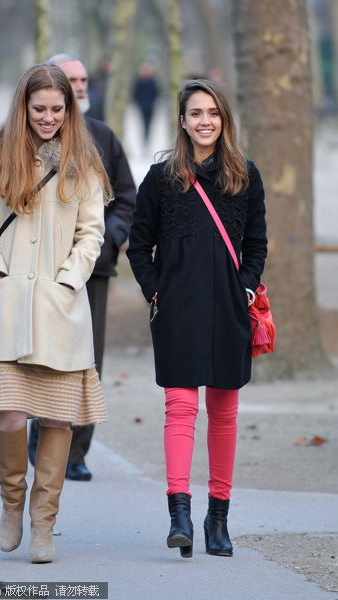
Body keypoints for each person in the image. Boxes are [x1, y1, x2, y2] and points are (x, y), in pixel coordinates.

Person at [0, 64, 110, 563]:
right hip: (6, 308)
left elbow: (93, 233)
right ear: (23, 107)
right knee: (7, 415)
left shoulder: (84, 162)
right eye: (39, 108)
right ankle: (12, 501)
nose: (48, 117)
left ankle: (44, 523)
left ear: (68, 110)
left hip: (60, 307)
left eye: (56, 109)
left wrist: (70, 279)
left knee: (57, 420)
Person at [127, 79, 267, 558]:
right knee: (181, 409)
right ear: (182, 121)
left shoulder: (244, 176)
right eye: (195, 113)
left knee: (224, 414)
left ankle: (219, 517)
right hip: (178, 311)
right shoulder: (161, 179)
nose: (204, 121)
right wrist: (156, 291)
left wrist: (245, 287)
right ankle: (180, 513)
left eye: (213, 112)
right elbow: (137, 243)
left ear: (223, 119)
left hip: (229, 310)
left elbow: (257, 244)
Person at [27, 53, 136, 481]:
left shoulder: (102, 137)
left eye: (83, 79)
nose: (79, 85)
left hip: (94, 270)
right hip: (41, 271)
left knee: (88, 360)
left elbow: (126, 196)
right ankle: (40, 436)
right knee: (40, 353)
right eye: (70, 79)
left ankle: (76, 452)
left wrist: (109, 241)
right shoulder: (25, 139)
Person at [132, 61, 159, 145]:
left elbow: (156, 93)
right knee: (143, 123)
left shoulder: (153, 81)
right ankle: (144, 139)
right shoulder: (139, 81)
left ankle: (147, 139)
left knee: (149, 123)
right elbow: (135, 94)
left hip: (150, 106)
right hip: (142, 106)